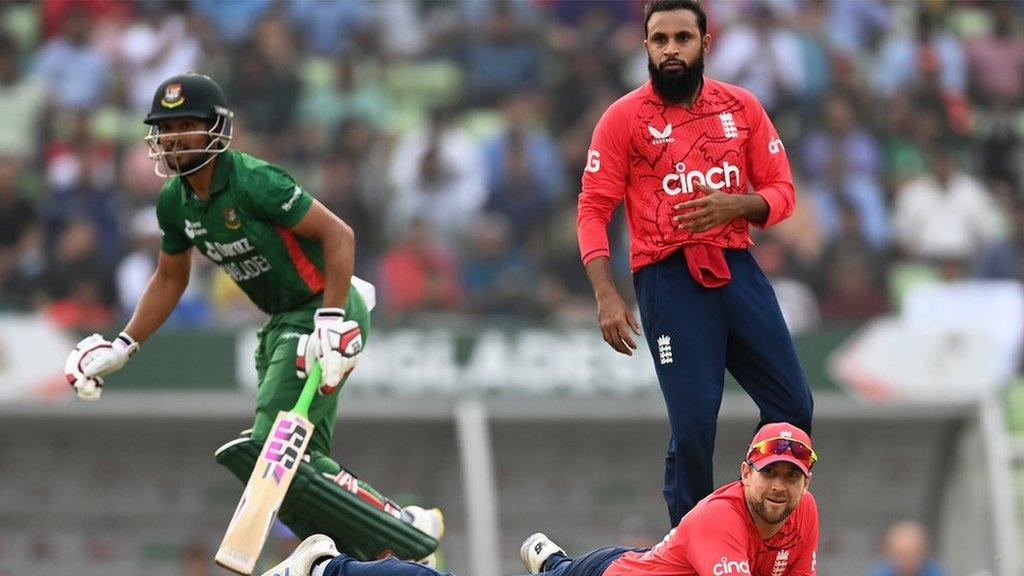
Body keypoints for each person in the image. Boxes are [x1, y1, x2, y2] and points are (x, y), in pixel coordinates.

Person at [61, 73, 443, 563]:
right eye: (165, 126)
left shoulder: (255, 182)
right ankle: (387, 544)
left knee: (271, 451)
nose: (174, 136)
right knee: (294, 470)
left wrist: (330, 317)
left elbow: (340, 236)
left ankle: (401, 525)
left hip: (322, 314)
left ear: (216, 129)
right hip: (282, 322)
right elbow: (170, 278)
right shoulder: (173, 202)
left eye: (186, 124)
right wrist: (123, 345)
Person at [576, 0, 814, 525]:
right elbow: (593, 209)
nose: (671, 50)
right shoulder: (623, 118)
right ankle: (693, 543)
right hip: (667, 278)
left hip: (737, 268)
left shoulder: (741, 107)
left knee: (794, 408)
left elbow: (783, 194)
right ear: (646, 47)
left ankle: (757, 516)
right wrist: (606, 294)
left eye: (682, 38)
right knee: (693, 427)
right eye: (659, 40)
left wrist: (739, 205)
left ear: (705, 44)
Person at [262, 421, 819, 576]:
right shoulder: (720, 520)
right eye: (769, 472)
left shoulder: (803, 514)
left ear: (806, 483)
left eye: (791, 477)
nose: (779, 487)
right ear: (745, 472)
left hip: (612, 563)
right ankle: (323, 567)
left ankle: (550, 561)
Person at [868, 520, 948, 576]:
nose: (906, 560)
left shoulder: (935, 573)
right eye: (900, 554)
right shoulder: (879, 573)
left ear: (923, 553)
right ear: (889, 553)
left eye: (912, 554)